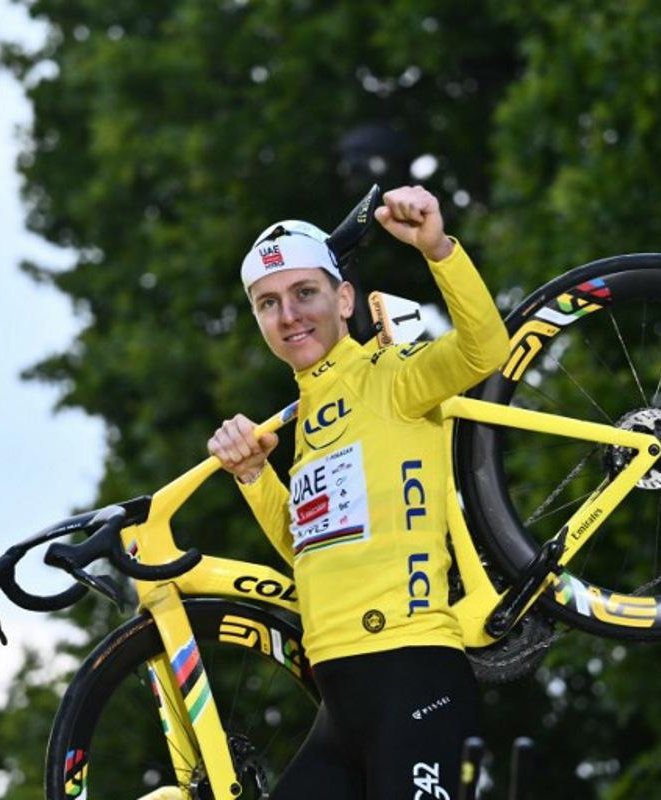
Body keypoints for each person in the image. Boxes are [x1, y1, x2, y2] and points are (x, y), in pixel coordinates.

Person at [207, 185, 509, 799]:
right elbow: (308, 551)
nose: (288, 314)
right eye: (268, 303)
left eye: (304, 293)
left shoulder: (390, 376)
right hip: (340, 705)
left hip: (415, 674)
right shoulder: (306, 420)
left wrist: (438, 247)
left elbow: (485, 350)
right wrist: (253, 477)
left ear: (344, 298)